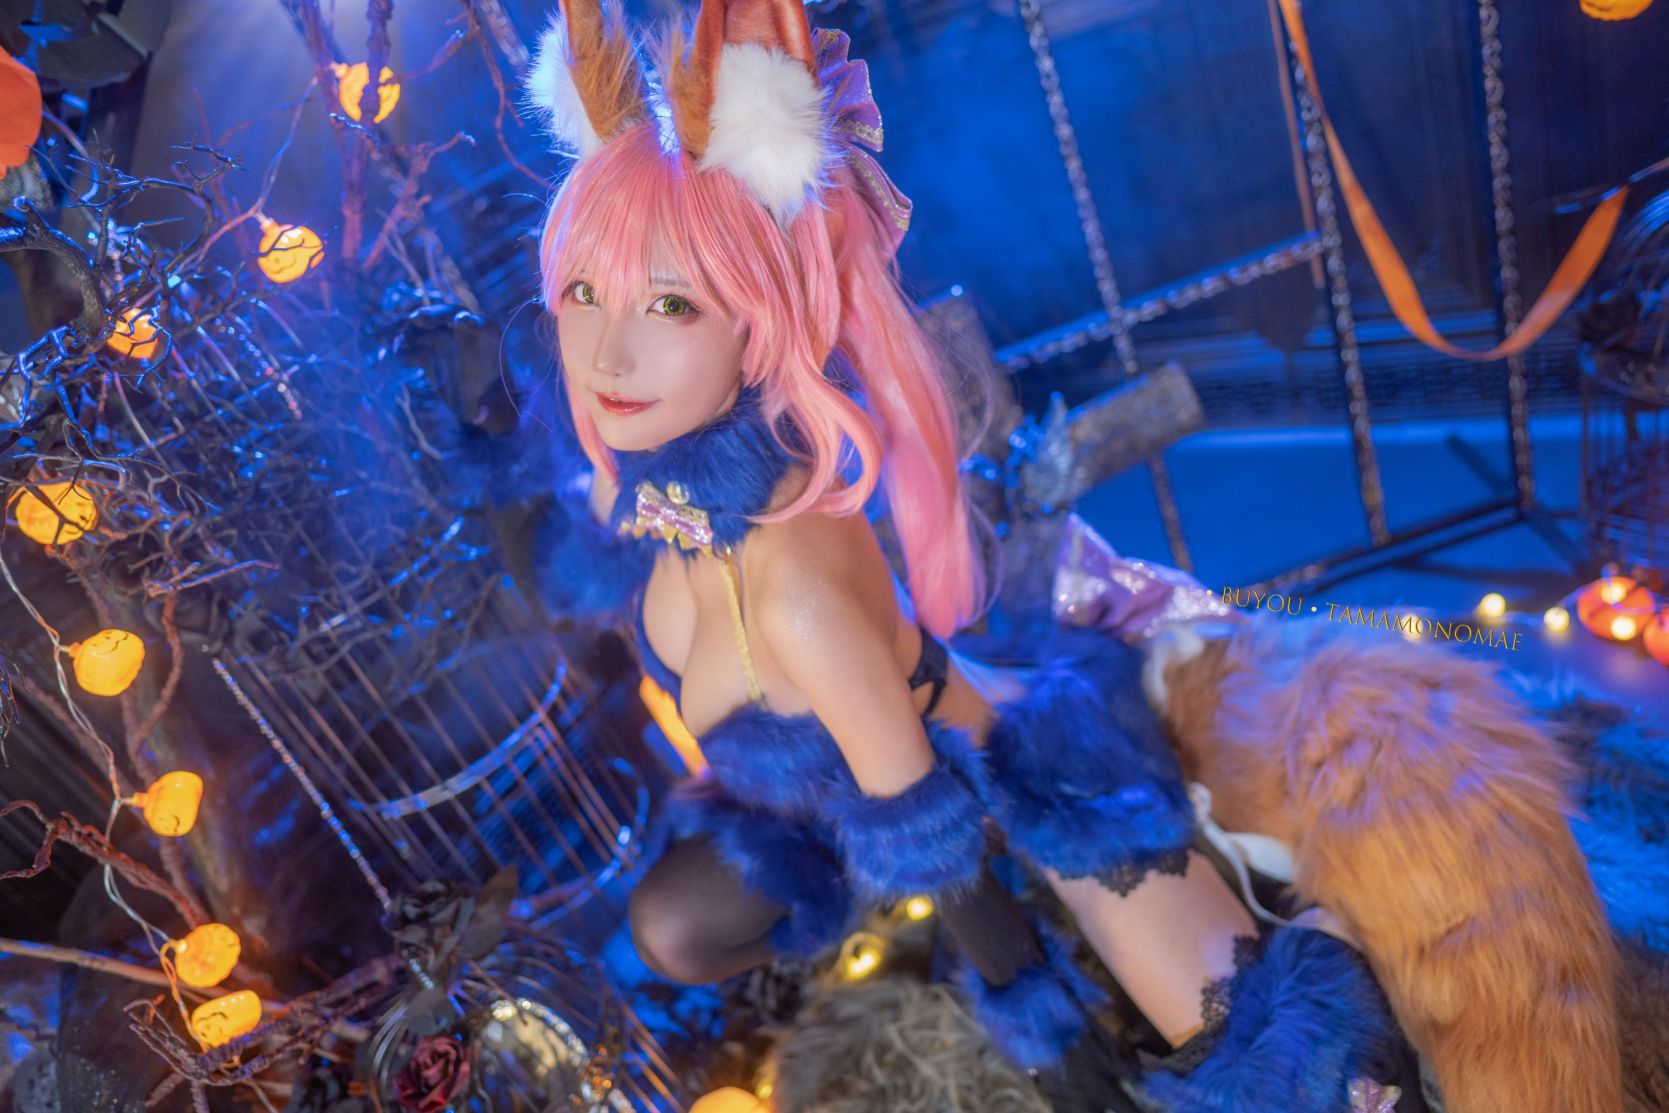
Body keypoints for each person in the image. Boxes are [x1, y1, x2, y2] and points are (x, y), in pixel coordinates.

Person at [514, 0, 1427, 1108]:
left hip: (1012, 772)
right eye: (582, 292)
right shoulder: (649, 493)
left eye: (670, 304)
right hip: (833, 801)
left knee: (1291, 1068)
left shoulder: (794, 590)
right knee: (673, 925)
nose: (607, 352)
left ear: (757, 324)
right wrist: (471, 446)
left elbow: (927, 832)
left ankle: (1309, 923)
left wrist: (1049, 1043)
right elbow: (578, 572)